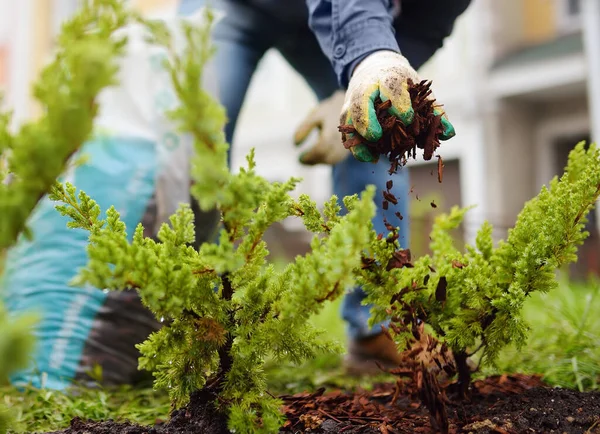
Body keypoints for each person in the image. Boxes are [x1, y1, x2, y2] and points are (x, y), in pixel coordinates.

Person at [178, 0, 472, 374]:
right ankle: (183, 320)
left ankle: (377, 328)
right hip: (234, 6)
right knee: (197, 133)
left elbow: (424, 27)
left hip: (327, 18)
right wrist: (369, 52)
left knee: (376, 118)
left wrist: (361, 83)